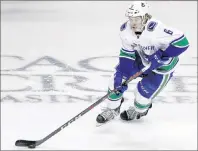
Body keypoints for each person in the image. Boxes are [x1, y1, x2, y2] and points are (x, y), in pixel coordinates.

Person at [96, 1, 190, 123]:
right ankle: (112, 109)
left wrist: (162, 55)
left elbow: (183, 43)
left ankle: (140, 110)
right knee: (115, 82)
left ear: (144, 17)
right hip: (141, 60)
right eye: (131, 18)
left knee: (142, 99)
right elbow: (127, 54)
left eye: (136, 19)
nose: (133, 22)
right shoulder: (126, 31)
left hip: (161, 69)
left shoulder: (157, 29)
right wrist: (123, 75)